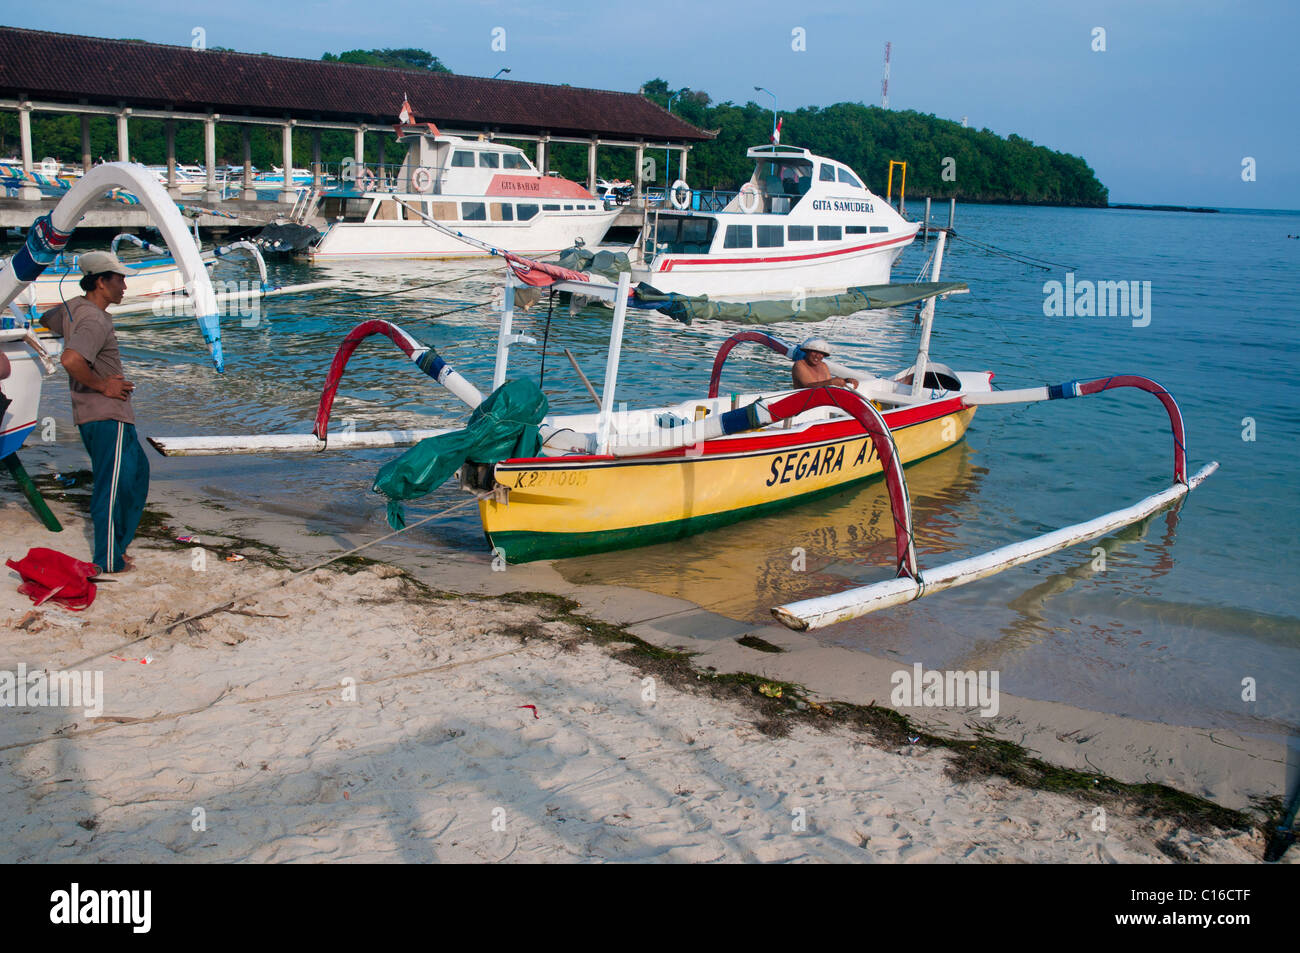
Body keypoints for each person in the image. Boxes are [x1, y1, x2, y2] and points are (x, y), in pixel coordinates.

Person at [40, 251, 148, 574]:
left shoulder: (77, 309)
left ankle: (117, 547)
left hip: (108, 416)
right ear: (100, 282)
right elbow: (70, 360)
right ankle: (107, 559)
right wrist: (104, 386)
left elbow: (48, 319)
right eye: (119, 279)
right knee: (112, 488)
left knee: (136, 476)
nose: (125, 286)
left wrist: (69, 318)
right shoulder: (93, 318)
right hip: (105, 415)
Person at [791, 337, 858, 390]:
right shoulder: (800, 365)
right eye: (814, 352)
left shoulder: (823, 365)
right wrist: (831, 382)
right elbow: (806, 386)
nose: (817, 356)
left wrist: (846, 381)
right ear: (807, 351)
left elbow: (828, 381)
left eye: (821, 354)